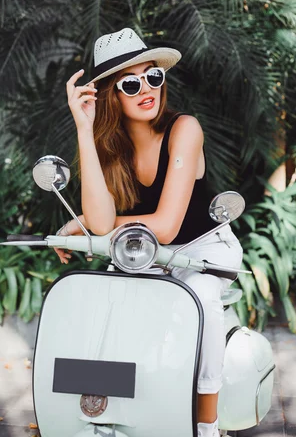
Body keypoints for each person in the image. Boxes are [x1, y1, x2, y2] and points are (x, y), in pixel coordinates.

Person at [54, 27, 243, 437]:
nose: (147, 88)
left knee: (202, 301)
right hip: (146, 252)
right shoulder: (110, 146)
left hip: (202, 250)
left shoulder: (184, 129)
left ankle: (206, 424)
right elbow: (105, 221)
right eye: (131, 82)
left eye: (153, 76)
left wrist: (88, 225)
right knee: (110, 304)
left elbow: (166, 224)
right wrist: (84, 130)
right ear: (110, 95)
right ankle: (104, 412)